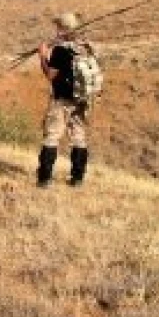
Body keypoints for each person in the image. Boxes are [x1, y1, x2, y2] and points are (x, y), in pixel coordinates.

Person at [36, 12, 91, 187]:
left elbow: (50, 75)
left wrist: (43, 56)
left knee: (51, 136)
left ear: (63, 29)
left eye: (58, 27)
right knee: (79, 138)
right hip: (81, 99)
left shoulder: (60, 50)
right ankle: (78, 178)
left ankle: (45, 179)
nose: (56, 30)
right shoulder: (85, 47)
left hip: (61, 100)